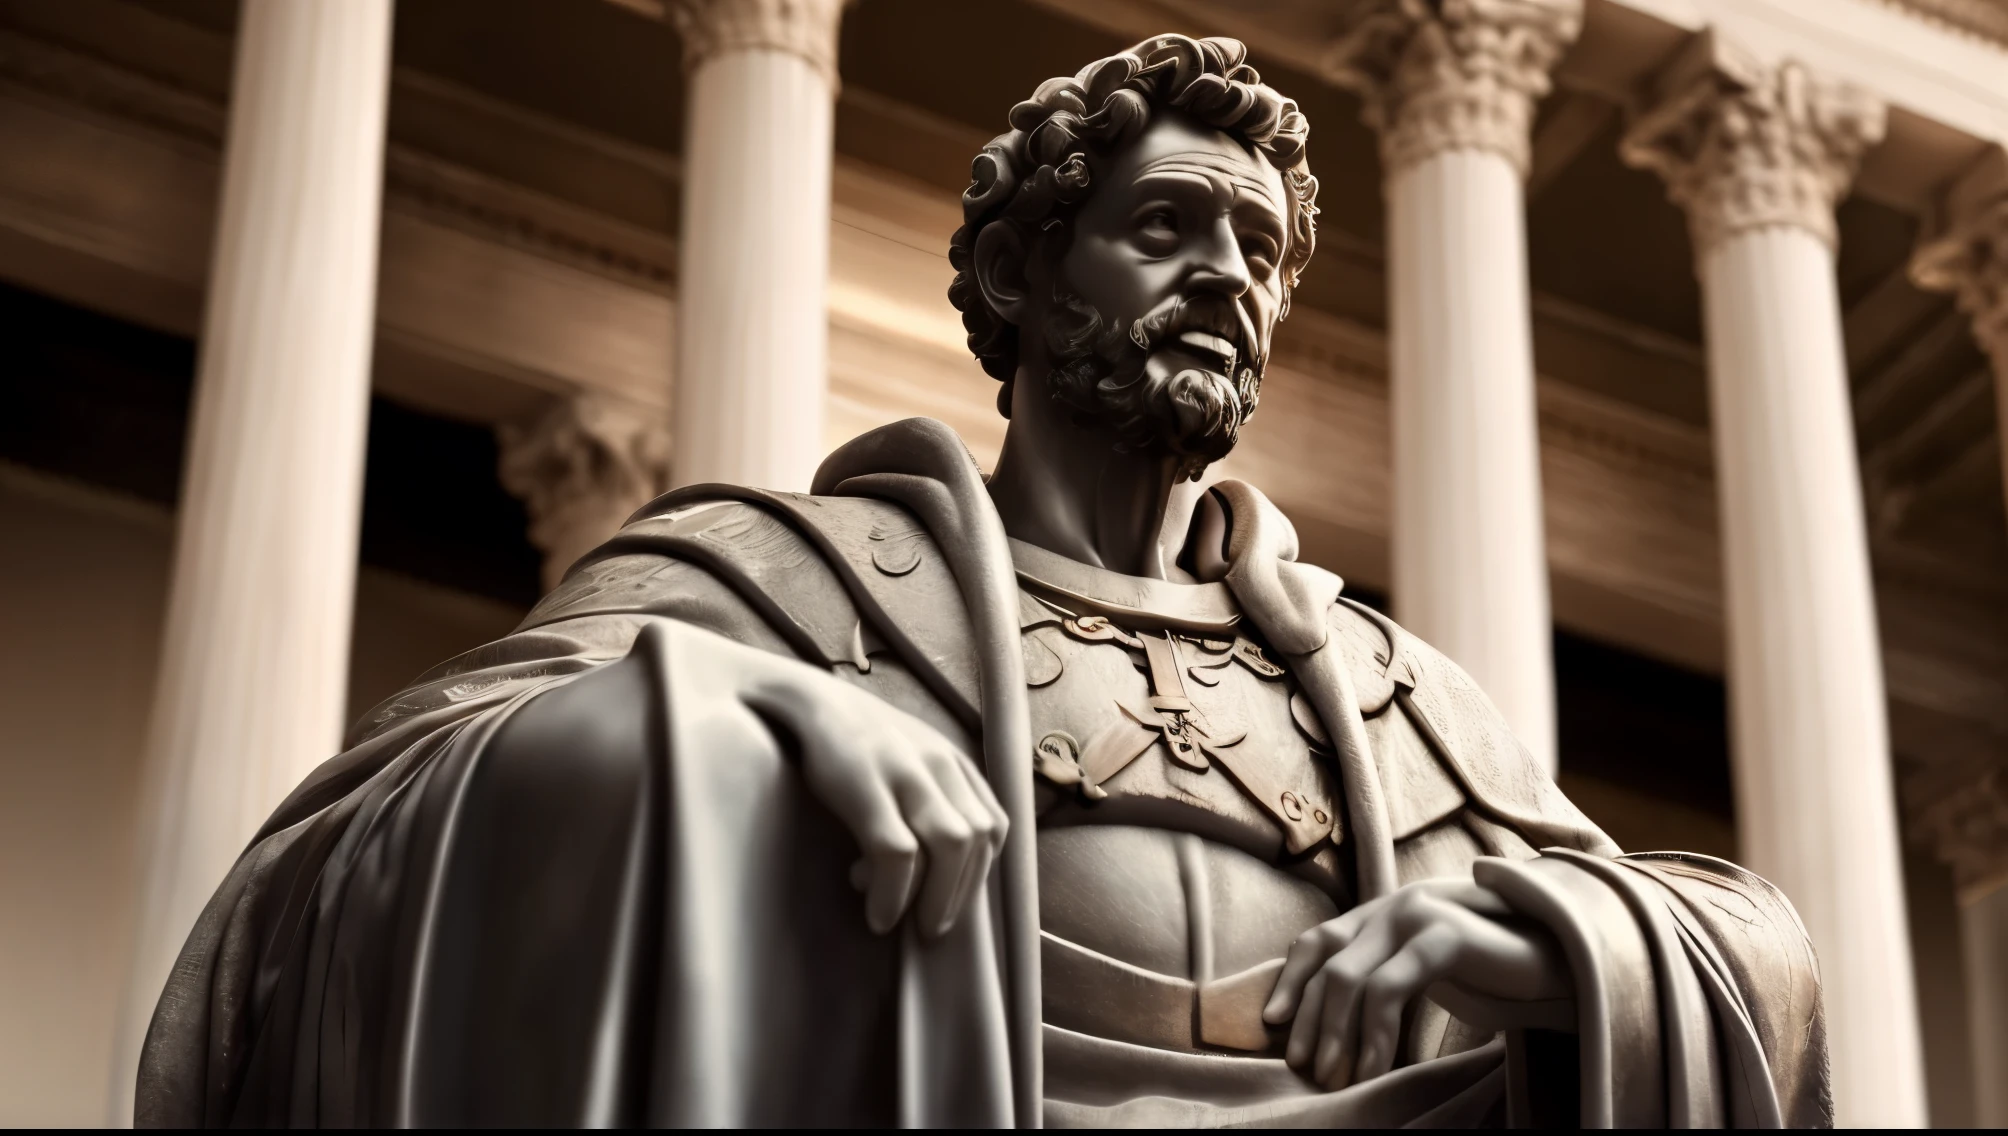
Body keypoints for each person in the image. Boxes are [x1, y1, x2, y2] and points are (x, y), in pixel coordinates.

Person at [136, 34, 1827, 1128]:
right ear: (1027, 273)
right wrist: (726, 700)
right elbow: (352, 849)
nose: (1226, 280)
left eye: (1255, 252)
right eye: (1168, 228)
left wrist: (1564, 938)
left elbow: (1739, 945)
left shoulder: (1396, 700)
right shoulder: (788, 582)